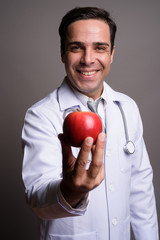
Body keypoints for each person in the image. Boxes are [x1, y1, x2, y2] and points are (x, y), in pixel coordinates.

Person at [22, 7, 159, 240]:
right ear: (62, 53)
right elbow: (36, 198)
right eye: (76, 47)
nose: (88, 59)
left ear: (112, 53)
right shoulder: (41, 115)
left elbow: (141, 189)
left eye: (100, 47)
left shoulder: (127, 107)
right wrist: (70, 191)